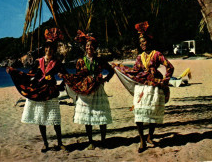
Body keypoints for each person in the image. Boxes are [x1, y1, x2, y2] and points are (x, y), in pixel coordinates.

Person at [113, 21, 174, 153]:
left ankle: (150, 136)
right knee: (139, 113)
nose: (143, 44)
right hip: (142, 86)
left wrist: (165, 80)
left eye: (144, 41)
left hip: (155, 86)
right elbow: (134, 71)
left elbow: (170, 66)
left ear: (149, 42)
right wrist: (119, 67)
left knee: (153, 112)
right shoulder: (139, 57)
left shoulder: (157, 54)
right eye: (141, 43)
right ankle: (141, 140)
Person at [6, 28, 68, 152]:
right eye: (47, 48)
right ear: (44, 48)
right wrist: (14, 72)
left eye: (51, 48)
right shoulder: (38, 62)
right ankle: (46, 143)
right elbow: (29, 75)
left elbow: (66, 76)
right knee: (41, 119)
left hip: (51, 92)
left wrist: (60, 86)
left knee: (55, 118)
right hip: (39, 92)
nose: (49, 50)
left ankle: (60, 142)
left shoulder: (57, 63)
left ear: (54, 49)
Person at [59, 30, 114, 150]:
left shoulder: (99, 60)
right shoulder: (80, 61)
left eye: (91, 46)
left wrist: (105, 80)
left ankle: (103, 140)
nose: (89, 47)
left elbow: (111, 71)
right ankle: (91, 142)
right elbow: (78, 76)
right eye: (87, 46)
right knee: (87, 116)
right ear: (85, 47)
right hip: (85, 91)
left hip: (98, 90)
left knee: (101, 114)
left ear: (94, 47)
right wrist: (65, 77)